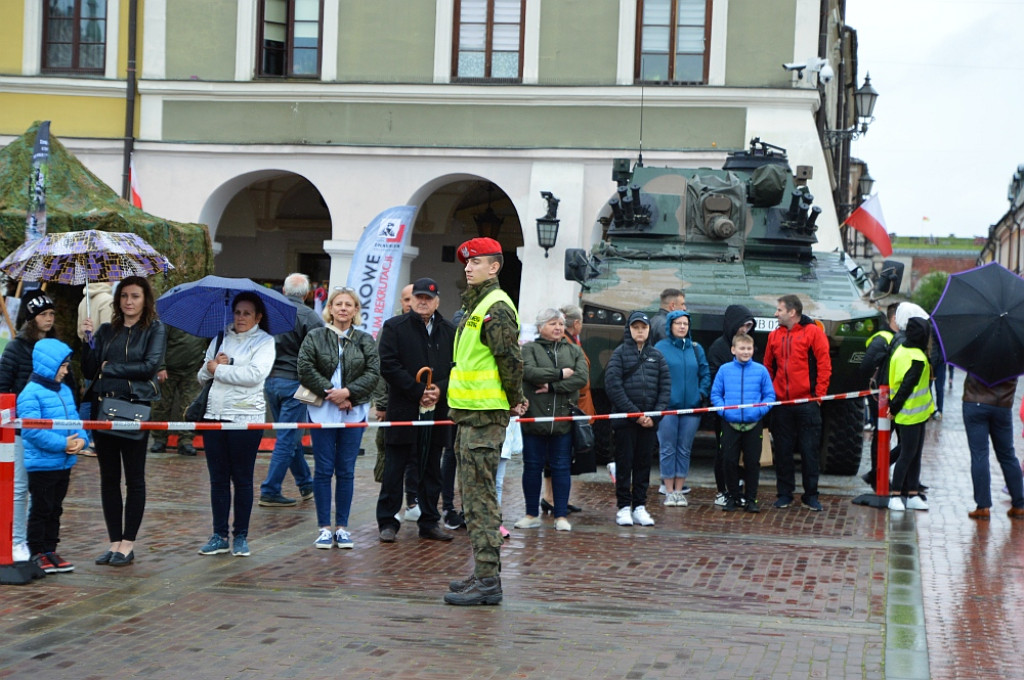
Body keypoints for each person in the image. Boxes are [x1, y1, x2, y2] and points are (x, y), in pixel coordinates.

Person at [443, 237, 527, 606]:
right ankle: (482, 573)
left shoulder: (497, 306)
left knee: (481, 501)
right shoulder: (476, 304)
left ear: (494, 267)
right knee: (472, 497)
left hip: (485, 416)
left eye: (476, 262)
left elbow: (509, 359)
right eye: (466, 262)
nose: (468, 266)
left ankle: (489, 581)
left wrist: (513, 400)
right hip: (469, 414)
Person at [82, 276, 166, 567]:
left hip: (134, 409)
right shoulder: (107, 330)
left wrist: (110, 367)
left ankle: (128, 543)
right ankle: (114, 541)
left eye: (135, 296)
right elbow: (90, 370)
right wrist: (89, 342)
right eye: (124, 296)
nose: (129, 302)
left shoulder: (154, 329)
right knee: (108, 478)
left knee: (134, 478)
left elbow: (148, 367)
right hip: (104, 409)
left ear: (145, 300)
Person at [297, 287, 380, 550]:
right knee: (323, 469)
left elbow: (373, 373)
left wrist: (349, 394)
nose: (343, 308)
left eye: (348, 304)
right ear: (330, 308)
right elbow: (305, 367)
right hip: (323, 408)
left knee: (345, 470)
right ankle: (324, 528)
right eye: (338, 304)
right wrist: (332, 393)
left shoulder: (365, 340)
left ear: (356, 310)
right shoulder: (315, 336)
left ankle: (342, 528)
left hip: (353, 410)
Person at [194, 292, 275, 557]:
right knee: (218, 479)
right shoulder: (220, 337)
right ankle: (219, 534)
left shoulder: (265, 341)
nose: (240, 318)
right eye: (238, 312)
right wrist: (212, 367)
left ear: (258, 317)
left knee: (242, 478)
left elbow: (254, 375)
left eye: (247, 313)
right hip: (214, 415)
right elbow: (201, 374)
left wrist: (221, 370)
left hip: (245, 418)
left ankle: (241, 535)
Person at [375, 277, 456, 543]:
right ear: (410, 301)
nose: (423, 302)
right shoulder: (394, 327)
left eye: (428, 298)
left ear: (437, 301)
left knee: (432, 468)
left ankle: (430, 521)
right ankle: (388, 522)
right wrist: (417, 390)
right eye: (418, 297)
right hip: (404, 409)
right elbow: (388, 365)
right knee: (395, 467)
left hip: (437, 410)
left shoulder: (449, 330)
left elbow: (458, 368)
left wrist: (439, 390)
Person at [0, 289, 65, 562]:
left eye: (51, 314)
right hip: (19, 430)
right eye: (43, 314)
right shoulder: (15, 348)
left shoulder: (55, 347)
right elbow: (3, 387)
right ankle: (16, 542)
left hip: (50, 431)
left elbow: (66, 385)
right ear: (31, 318)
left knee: (44, 490)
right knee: (19, 488)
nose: (48, 319)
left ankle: (35, 541)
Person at [515, 308, 588, 532]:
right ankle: (530, 514)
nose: (557, 327)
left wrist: (552, 386)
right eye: (551, 323)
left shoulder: (574, 350)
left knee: (561, 467)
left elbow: (581, 378)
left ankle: (561, 516)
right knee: (532, 467)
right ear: (540, 327)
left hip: (563, 421)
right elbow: (529, 372)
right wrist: (559, 374)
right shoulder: (528, 349)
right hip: (534, 419)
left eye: (560, 323)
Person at [20, 338, 89, 574]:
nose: (66, 370)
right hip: (41, 464)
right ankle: (36, 550)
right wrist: (62, 444)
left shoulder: (65, 391)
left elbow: (75, 420)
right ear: (49, 365)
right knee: (41, 508)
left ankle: (50, 548)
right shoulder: (30, 393)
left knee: (56, 507)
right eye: (63, 366)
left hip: (63, 462)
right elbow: (31, 430)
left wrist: (82, 439)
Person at [257, 273, 323, 507]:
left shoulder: (269, 314)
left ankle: (306, 484)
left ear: (284, 291)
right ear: (306, 294)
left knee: (290, 436)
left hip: (271, 381)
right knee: (287, 438)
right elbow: (320, 354)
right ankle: (270, 489)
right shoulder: (311, 316)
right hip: (296, 383)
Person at [763, 294, 831, 512]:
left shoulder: (813, 333)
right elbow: (768, 367)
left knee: (809, 451)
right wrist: (771, 395)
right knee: (782, 451)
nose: (776, 314)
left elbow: (824, 365)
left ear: (792, 312)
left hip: (807, 403)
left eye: (779, 310)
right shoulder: (774, 335)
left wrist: (818, 396)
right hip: (782, 404)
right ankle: (785, 494)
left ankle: (811, 495)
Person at [604, 311, 670, 528]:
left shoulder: (657, 356)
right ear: (629, 329)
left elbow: (665, 389)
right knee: (625, 464)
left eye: (643, 327)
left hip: (650, 423)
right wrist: (635, 414)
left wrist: (653, 415)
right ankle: (623, 507)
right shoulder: (619, 354)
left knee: (643, 465)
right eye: (636, 327)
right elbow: (613, 386)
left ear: (649, 329)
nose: (640, 331)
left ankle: (640, 506)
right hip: (627, 422)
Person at [710, 332, 775, 512]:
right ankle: (732, 496)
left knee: (752, 462)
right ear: (733, 350)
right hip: (730, 423)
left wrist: (758, 411)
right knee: (729, 461)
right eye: (742, 348)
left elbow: (769, 396)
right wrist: (724, 411)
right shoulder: (724, 370)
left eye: (749, 348)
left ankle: (751, 498)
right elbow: (715, 394)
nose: (745, 352)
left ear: (753, 350)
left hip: (754, 423)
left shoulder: (761, 371)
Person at [654, 310, 709, 508]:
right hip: (668, 408)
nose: (682, 327)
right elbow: (654, 376)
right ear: (670, 325)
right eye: (678, 323)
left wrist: (701, 394)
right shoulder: (660, 347)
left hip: (691, 408)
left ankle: (679, 490)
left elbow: (705, 372)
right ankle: (668, 490)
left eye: (685, 323)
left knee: (684, 449)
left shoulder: (696, 348)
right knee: (668, 448)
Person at [706, 305, 755, 506]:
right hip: (726, 414)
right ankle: (722, 490)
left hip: (749, 414)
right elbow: (714, 383)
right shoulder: (718, 348)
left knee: (744, 454)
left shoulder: (751, 346)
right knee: (725, 454)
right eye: (742, 325)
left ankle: (739, 490)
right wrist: (723, 408)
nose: (744, 330)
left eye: (748, 326)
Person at [887, 317, 934, 512]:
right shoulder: (917, 357)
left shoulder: (902, 350)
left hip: (914, 413)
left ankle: (912, 493)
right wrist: (894, 408)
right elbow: (907, 386)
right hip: (910, 413)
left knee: (913, 454)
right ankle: (896, 495)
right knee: (908, 454)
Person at [963, 375, 1024, 519]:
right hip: (1002, 406)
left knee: (979, 454)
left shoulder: (976, 352)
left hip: (975, 402)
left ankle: (983, 507)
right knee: (1007, 454)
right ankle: (1019, 504)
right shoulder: (1014, 354)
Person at [149, 325, 207, 456]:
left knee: (189, 406)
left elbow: (210, 343)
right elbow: (159, 342)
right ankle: (159, 439)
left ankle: (186, 441)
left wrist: (205, 362)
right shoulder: (172, 319)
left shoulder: (203, 320)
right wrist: (161, 366)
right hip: (168, 370)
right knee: (161, 405)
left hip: (193, 371)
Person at [859, 303, 899, 489]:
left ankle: (877, 473)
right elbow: (865, 366)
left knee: (900, 440)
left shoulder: (898, 338)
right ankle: (878, 475)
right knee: (882, 435)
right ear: (894, 319)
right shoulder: (882, 338)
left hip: (894, 397)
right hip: (881, 397)